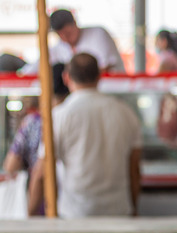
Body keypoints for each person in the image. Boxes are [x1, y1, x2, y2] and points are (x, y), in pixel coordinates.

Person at [28, 53, 142, 218]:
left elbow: (41, 173)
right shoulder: (126, 113)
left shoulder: (60, 116)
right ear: (99, 76)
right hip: (119, 212)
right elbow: (134, 169)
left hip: (76, 215)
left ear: (66, 78)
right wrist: (134, 208)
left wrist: (30, 217)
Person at [3, 63, 70, 180]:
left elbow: (11, 165)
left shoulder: (33, 122)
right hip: (74, 191)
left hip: (42, 191)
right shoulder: (77, 116)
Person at [20, 9, 126, 75]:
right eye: (60, 34)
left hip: (113, 92)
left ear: (75, 23)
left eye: (68, 32)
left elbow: (105, 67)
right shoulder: (59, 47)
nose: (66, 37)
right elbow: (33, 69)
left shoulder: (97, 34)